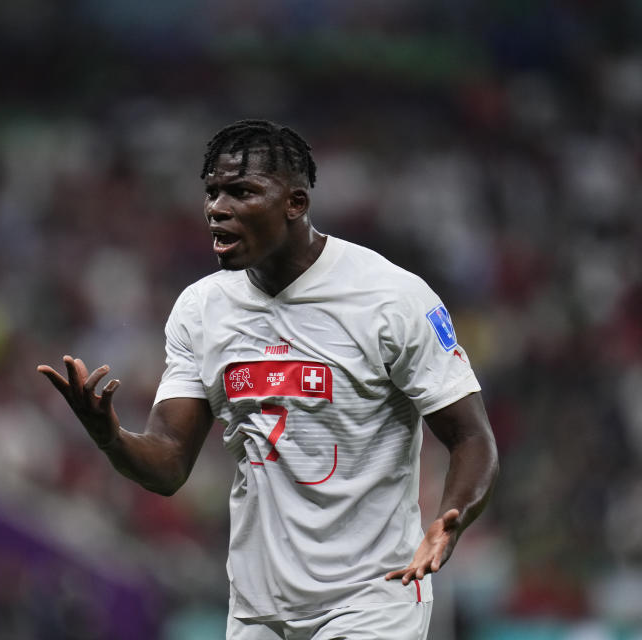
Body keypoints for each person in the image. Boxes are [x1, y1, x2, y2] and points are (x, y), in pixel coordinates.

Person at [38, 119, 499, 639]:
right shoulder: (201, 309)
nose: (217, 207)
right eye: (212, 192)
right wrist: (111, 438)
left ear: (295, 203)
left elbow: (471, 436)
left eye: (241, 192)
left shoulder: (391, 299)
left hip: (373, 599)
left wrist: (450, 518)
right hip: (260, 612)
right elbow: (168, 464)